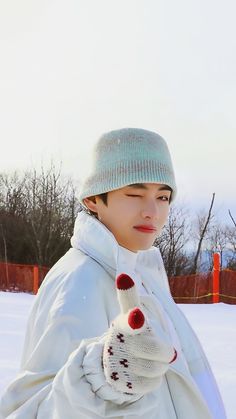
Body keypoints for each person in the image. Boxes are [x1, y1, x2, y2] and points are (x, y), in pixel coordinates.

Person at [0, 128, 226, 418]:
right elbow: (32, 411)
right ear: (93, 200)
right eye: (134, 193)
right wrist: (99, 375)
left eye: (163, 197)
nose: (152, 212)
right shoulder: (80, 281)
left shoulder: (142, 273)